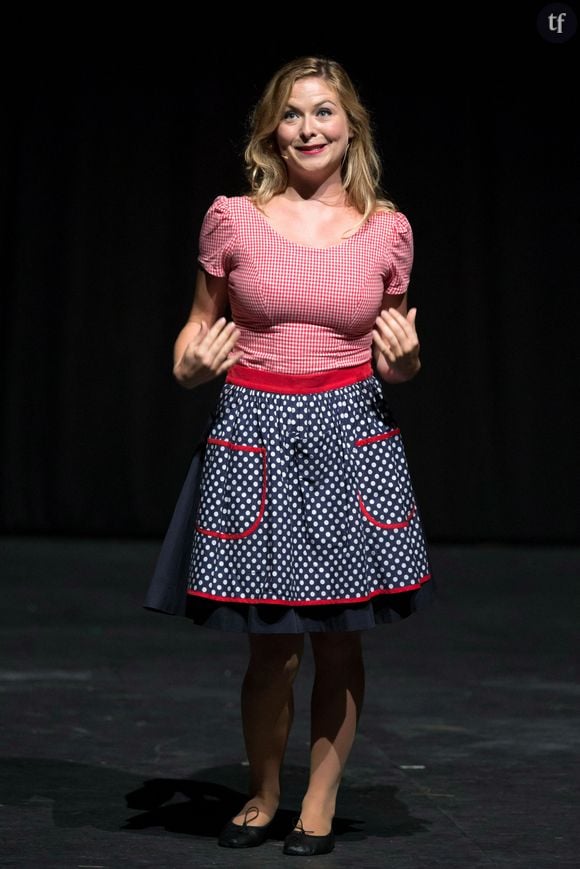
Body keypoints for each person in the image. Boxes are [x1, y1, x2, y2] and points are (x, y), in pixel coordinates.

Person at [145, 55, 435, 857]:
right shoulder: (233, 218)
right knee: (271, 643)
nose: (309, 128)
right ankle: (265, 793)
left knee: (340, 636)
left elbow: (396, 353)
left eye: (324, 113)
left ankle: (319, 801)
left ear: (351, 127)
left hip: (349, 435)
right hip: (255, 435)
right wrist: (187, 365)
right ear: (272, 129)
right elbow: (196, 327)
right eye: (293, 113)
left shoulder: (388, 228)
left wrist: (406, 365)